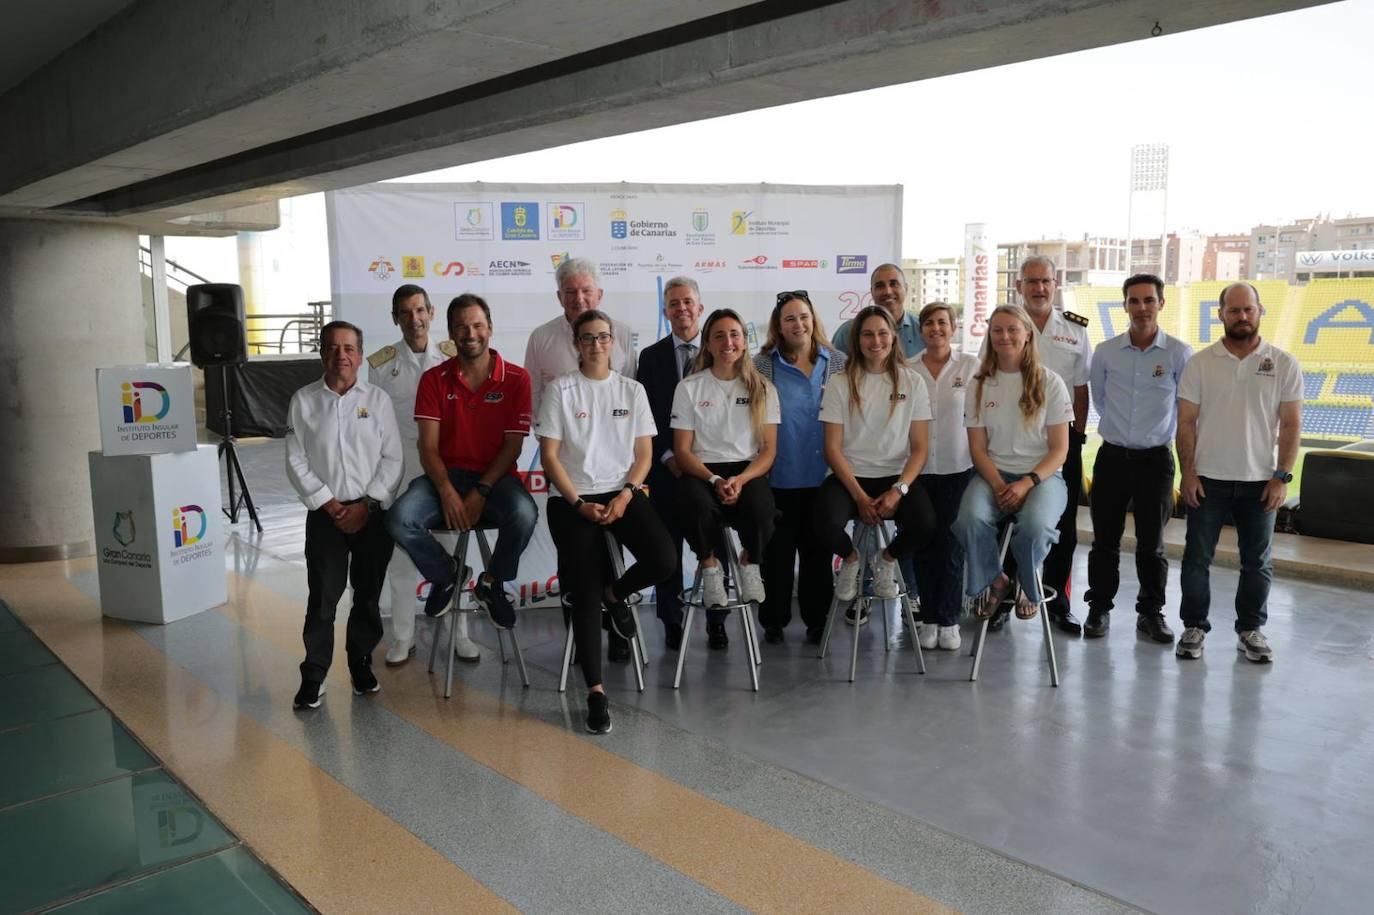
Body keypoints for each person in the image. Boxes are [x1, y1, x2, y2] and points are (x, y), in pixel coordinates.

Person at [537, 310, 675, 734]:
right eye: (587, 338)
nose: (596, 345)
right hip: (572, 500)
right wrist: (579, 504)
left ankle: (617, 596)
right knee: (583, 588)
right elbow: (550, 457)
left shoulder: (632, 391)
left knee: (665, 559)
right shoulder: (560, 390)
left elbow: (645, 456)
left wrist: (626, 494)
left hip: (623, 493)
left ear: (612, 342)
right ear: (576, 344)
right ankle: (596, 692)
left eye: (602, 337)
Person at [387, 294, 538, 631]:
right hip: (445, 476)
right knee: (399, 518)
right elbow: (428, 447)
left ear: (490, 328)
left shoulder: (516, 378)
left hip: (496, 480)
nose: (471, 333)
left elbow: (513, 446)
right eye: (462, 327)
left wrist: (480, 491)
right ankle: (450, 575)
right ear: (451, 333)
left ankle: (491, 583)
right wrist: (447, 492)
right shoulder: (434, 379)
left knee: (525, 513)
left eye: (478, 325)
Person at [1175, 282, 1301, 663]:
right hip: (1208, 480)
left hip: (1261, 481)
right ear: (1221, 315)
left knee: (1257, 561)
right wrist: (1190, 473)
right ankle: (1194, 626)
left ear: (1260, 311)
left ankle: (1250, 629)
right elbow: (1185, 424)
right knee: (1197, 558)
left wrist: (1282, 476)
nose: (1242, 316)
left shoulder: (1283, 363)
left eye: (1248, 309)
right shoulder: (1200, 363)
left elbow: (1292, 424)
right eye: (1234, 310)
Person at [285, 321, 403, 710]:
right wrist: (329, 503)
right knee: (323, 598)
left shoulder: (379, 400)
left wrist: (366, 505)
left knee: (367, 596)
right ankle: (314, 675)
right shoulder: (303, 401)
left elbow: (393, 459)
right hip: (326, 516)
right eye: (333, 348)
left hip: (371, 515)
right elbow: (296, 459)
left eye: (349, 348)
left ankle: (361, 664)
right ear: (322, 353)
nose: (342, 356)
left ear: (360, 353)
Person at [366, 284, 477, 666]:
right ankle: (402, 637)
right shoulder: (380, 364)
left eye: (420, 311)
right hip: (400, 467)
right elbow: (373, 427)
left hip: (443, 467)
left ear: (431, 313)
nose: (414, 319)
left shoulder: (452, 357)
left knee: (451, 550)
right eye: (405, 313)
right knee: (401, 557)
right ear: (394, 318)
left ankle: (460, 635)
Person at [1083, 274, 1193, 643]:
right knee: (1104, 542)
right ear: (1125, 305)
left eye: (1149, 300)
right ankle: (1098, 608)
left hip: (1155, 462)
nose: (1141, 308)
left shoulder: (1179, 353)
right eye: (1134, 300)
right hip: (1112, 457)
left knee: (1152, 545)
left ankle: (1151, 613)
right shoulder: (1106, 352)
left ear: (1161, 303)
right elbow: (1100, 400)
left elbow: (1184, 410)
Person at [952, 305, 1072, 622]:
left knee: (1035, 527)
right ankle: (998, 581)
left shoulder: (1051, 382)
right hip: (994, 475)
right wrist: (999, 484)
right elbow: (977, 449)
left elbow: (1060, 450)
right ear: (990, 336)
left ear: (1027, 334)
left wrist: (1026, 483)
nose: (1004, 336)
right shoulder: (979, 384)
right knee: (968, 520)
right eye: (997, 330)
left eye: (1012, 329)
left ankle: (1027, 582)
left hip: (1042, 478)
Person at [671, 308, 779, 649]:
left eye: (734, 334)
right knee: (694, 506)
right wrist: (716, 479)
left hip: (747, 470)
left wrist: (742, 480)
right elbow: (682, 451)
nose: (727, 342)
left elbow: (768, 451)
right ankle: (711, 566)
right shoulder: (689, 387)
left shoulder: (763, 388)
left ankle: (750, 562)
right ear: (708, 344)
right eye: (719, 335)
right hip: (703, 470)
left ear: (745, 343)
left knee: (763, 510)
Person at [818, 305, 936, 615]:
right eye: (868, 334)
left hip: (895, 477)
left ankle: (886, 560)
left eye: (883, 333)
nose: (876, 341)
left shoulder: (913, 382)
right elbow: (832, 448)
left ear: (894, 337)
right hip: (849, 477)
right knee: (823, 522)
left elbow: (920, 448)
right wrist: (858, 496)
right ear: (857, 340)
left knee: (925, 524)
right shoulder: (840, 383)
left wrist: (898, 490)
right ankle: (852, 560)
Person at [753, 290, 847, 645]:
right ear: (778, 325)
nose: (798, 324)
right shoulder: (762, 364)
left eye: (803, 316)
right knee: (775, 556)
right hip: (778, 475)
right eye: (789, 318)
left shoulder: (838, 361)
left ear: (814, 320)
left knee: (817, 555)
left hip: (824, 475)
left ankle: (817, 620)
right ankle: (773, 619)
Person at [1010, 256, 1092, 636]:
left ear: (1055, 284)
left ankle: (1057, 599)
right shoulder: (1005, 325)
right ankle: (1006, 595)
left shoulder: (1074, 330)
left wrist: (1075, 437)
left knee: (1065, 523)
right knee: (1006, 517)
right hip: (1012, 441)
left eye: (1045, 281)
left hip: (1061, 443)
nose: (1039, 288)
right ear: (1019, 285)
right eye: (1031, 282)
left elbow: (1080, 390)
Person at [636, 276, 706, 652]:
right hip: (665, 471)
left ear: (700, 307)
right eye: (674, 303)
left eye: (688, 302)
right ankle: (672, 622)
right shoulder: (650, 357)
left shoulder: (721, 350)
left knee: (711, 547)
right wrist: (668, 456)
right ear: (665, 312)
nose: (682, 309)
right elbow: (645, 417)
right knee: (668, 550)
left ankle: (717, 619)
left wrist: (702, 465)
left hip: (710, 472)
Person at [908, 302, 980, 651]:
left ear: (953, 327)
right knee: (923, 544)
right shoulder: (908, 369)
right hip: (919, 472)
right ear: (921, 330)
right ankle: (929, 616)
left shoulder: (971, 366)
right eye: (928, 323)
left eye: (942, 322)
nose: (935, 328)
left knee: (952, 547)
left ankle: (950, 619)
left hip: (958, 468)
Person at [524, 257, 636, 414]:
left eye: (586, 291)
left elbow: (629, 388)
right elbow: (531, 393)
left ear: (599, 295)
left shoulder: (622, 333)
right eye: (570, 292)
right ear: (559, 297)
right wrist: (543, 432)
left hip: (613, 433)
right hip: (559, 436)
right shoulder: (540, 337)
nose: (579, 298)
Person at [830, 263, 926, 358]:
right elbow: (833, 368)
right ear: (872, 292)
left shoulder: (923, 329)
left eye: (894, 284)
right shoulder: (847, 331)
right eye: (880, 286)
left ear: (906, 288)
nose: (887, 291)